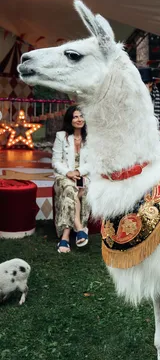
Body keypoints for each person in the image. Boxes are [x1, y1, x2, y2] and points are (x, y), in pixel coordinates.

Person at [52, 105, 91, 253]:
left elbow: (93, 163)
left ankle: (65, 238)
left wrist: (78, 171)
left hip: (83, 175)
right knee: (70, 188)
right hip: (64, 177)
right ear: (70, 119)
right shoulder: (61, 136)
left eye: (81, 116)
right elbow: (56, 161)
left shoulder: (90, 138)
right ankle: (78, 229)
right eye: (75, 116)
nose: (79, 119)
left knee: (81, 190)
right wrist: (68, 172)